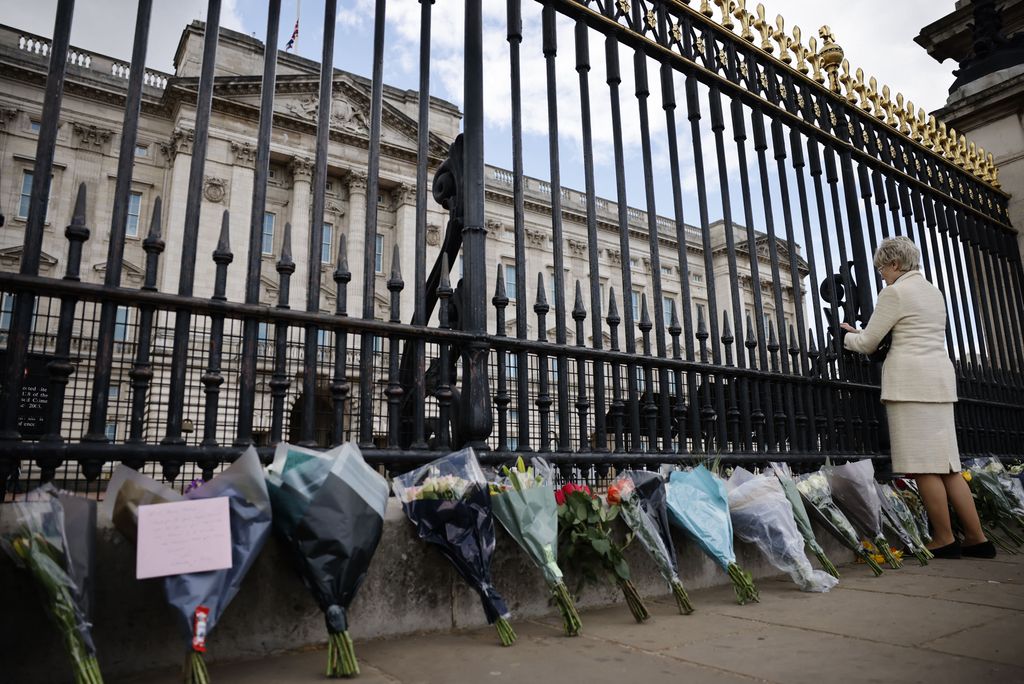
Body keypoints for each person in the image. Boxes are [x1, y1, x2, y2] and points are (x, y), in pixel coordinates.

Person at [840, 236, 994, 559]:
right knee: (949, 466)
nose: (881, 274)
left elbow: (869, 342)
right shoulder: (934, 293)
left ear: (895, 264)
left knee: (924, 467)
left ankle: (944, 538)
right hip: (939, 383)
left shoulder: (895, 292)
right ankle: (978, 538)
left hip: (909, 386)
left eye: (882, 267)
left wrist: (847, 336)